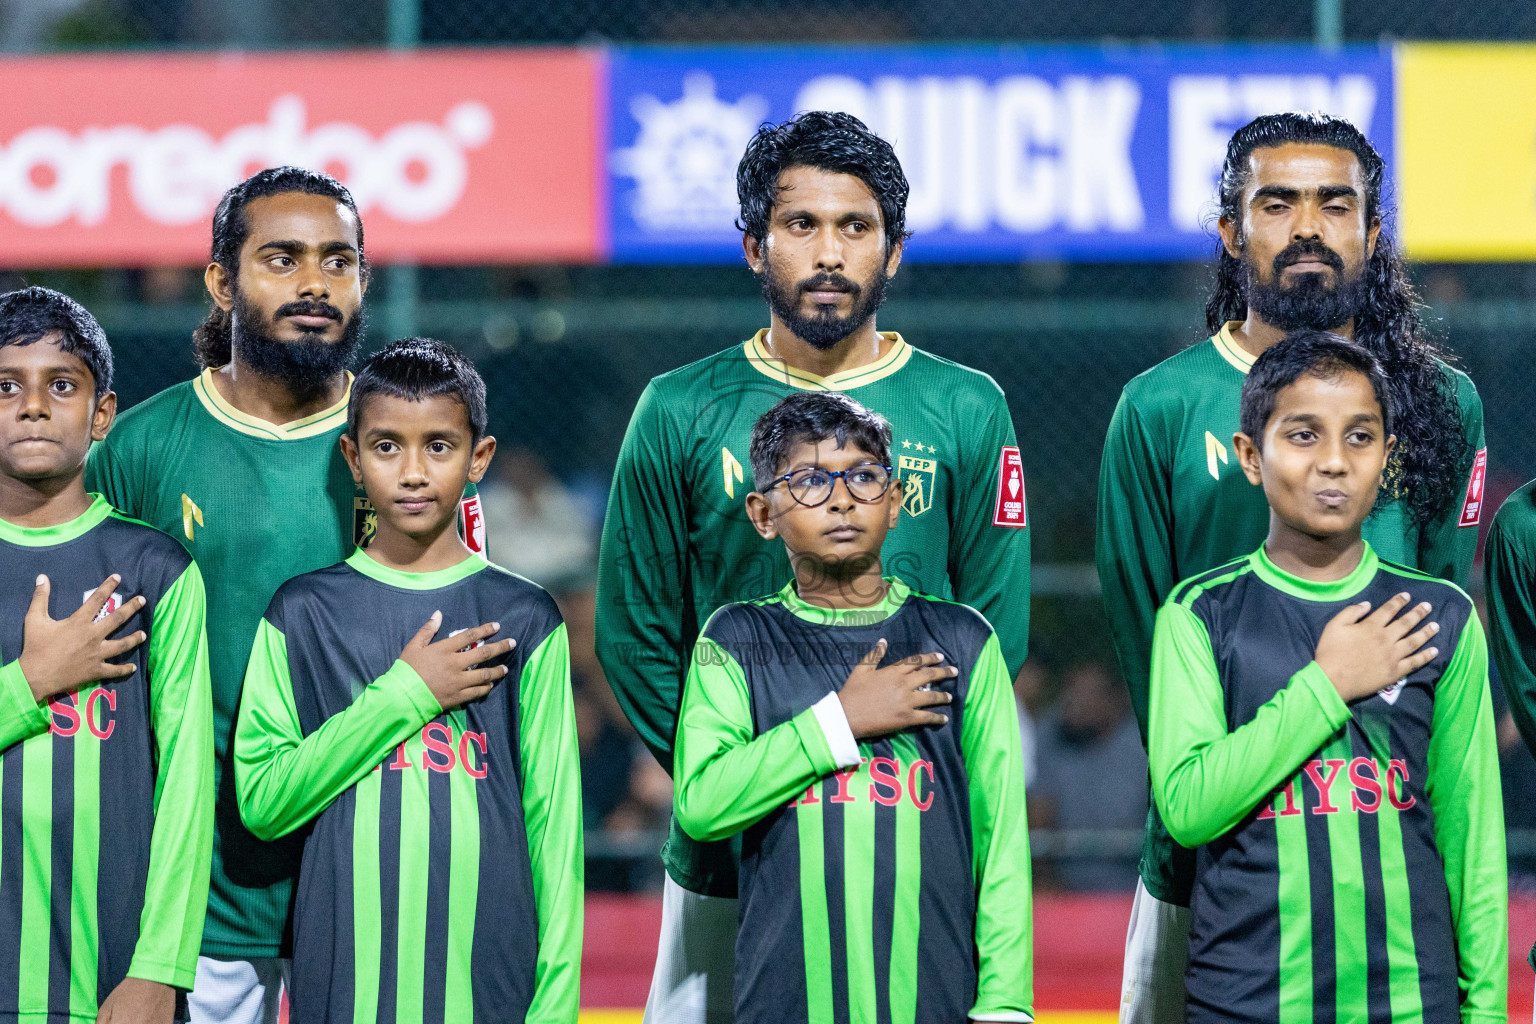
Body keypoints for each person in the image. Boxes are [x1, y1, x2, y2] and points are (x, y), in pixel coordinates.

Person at [596, 110, 1031, 1023]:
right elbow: (633, 635)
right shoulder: (677, 409)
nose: (829, 252)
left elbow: (993, 624)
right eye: (802, 226)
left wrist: (904, 759)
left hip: (914, 824)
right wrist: (735, 773)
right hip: (729, 850)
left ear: (895, 252)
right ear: (755, 246)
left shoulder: (966, 406)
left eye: (855, 227)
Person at [1095, 112, 1486, 1022]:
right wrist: (1225, 796)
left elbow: (1440, 608)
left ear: (1371, 233)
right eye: (1278, 203)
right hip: (1208, 853)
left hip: (1388, 844)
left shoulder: (1441, 403)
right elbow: (1141, 639)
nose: (1308, 226)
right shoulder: (1155, 408)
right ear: (1233, 233)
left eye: (1334, 204)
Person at [85, 168, 484, 1023]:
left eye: (339, 261)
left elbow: (462, 658)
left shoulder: (407, 446)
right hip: (205, 889)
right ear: (222, 283)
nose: (315, 283)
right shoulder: (141, 447)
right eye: (282, 258)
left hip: (378, 860)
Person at [1147, 331, 1504, 1023]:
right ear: (1251, 456)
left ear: (1387, 460)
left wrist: (1486, 1012)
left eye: (1361, 438)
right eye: (1304, 435)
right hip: (1245, 1001)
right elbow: (1188, 808)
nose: (1334, 462)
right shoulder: (1198, 616)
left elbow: (1474, 848)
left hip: (1410, 1002)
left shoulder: (1443, 618)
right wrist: (1327, 684)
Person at [232, 339, 581, 1023]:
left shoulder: (525, 615)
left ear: (479, 458)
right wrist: (406, 694)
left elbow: (555, 829)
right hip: (341, 983)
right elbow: (263, 799)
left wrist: (557, 1003)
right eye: (388, 447)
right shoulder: (303, 613)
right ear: (353, 460)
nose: (413, 471)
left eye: (439, 447)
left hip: (492, 986)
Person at [672, 391, 1031, 1024]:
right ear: (762, 512)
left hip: (933, 994)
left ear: (895, 504)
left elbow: (999, 838)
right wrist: (839, 720)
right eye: (809, 481)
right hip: (783, 998)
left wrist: (1005, 1004)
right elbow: (701, 805)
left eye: (863, 477)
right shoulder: (734, 640)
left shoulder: (963, 639)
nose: (841, 499)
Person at [0, 287, 214, 1023]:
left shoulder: (157, 570)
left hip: (115, 983)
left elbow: (187, 789)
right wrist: (32, 682)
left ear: (102, 414)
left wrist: (161, 967)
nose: (33, 405)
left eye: (61, 384)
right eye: (6, 386)